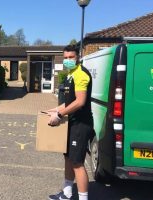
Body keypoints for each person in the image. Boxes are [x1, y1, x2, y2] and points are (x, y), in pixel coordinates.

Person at [47, 45, 94, 200]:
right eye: (65, 58)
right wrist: (54, 110)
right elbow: (69, 103)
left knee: (77, 163)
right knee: (68, 159)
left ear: (78, 57)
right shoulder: (70, 75)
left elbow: (80, 102)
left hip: (81, 124)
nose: (68, 60)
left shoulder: (80, 75)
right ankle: (66, 194)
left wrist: (59, 114)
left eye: (71, 57)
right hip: (72, 124)